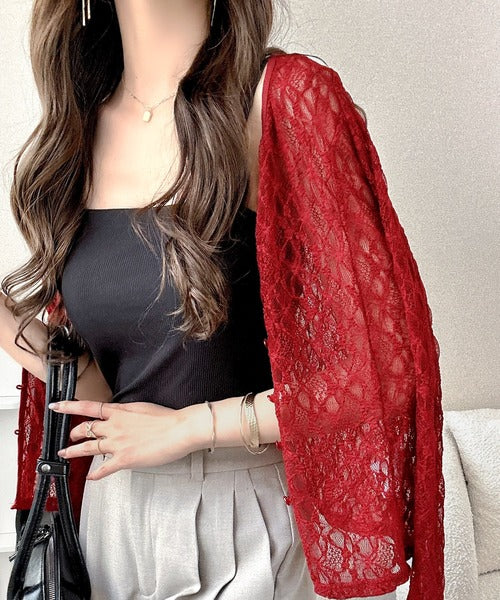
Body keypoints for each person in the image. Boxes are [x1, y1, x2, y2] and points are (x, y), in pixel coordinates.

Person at [0, 1, 445, 599]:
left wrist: (191, 427)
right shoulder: (76, 128)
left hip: (239, 515)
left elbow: (380, 376)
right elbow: (105, 396)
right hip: (113, 518)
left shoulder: (280, 100)